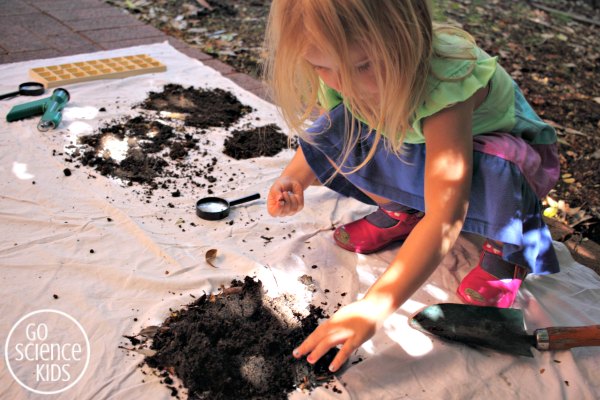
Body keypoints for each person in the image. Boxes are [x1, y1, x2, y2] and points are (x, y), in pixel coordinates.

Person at [263, 0, 560, 373]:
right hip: (416, 142)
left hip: (504, 165)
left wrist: (373, 307)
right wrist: (295, 177)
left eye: (362, 66)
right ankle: (401, 209)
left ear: (407, 37)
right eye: (321, 66)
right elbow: (331, 128)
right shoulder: (343, 72)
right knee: (347, 122)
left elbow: (446, 215)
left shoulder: (444, 89)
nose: (342, 82)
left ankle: (506, 248)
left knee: (493, 167)